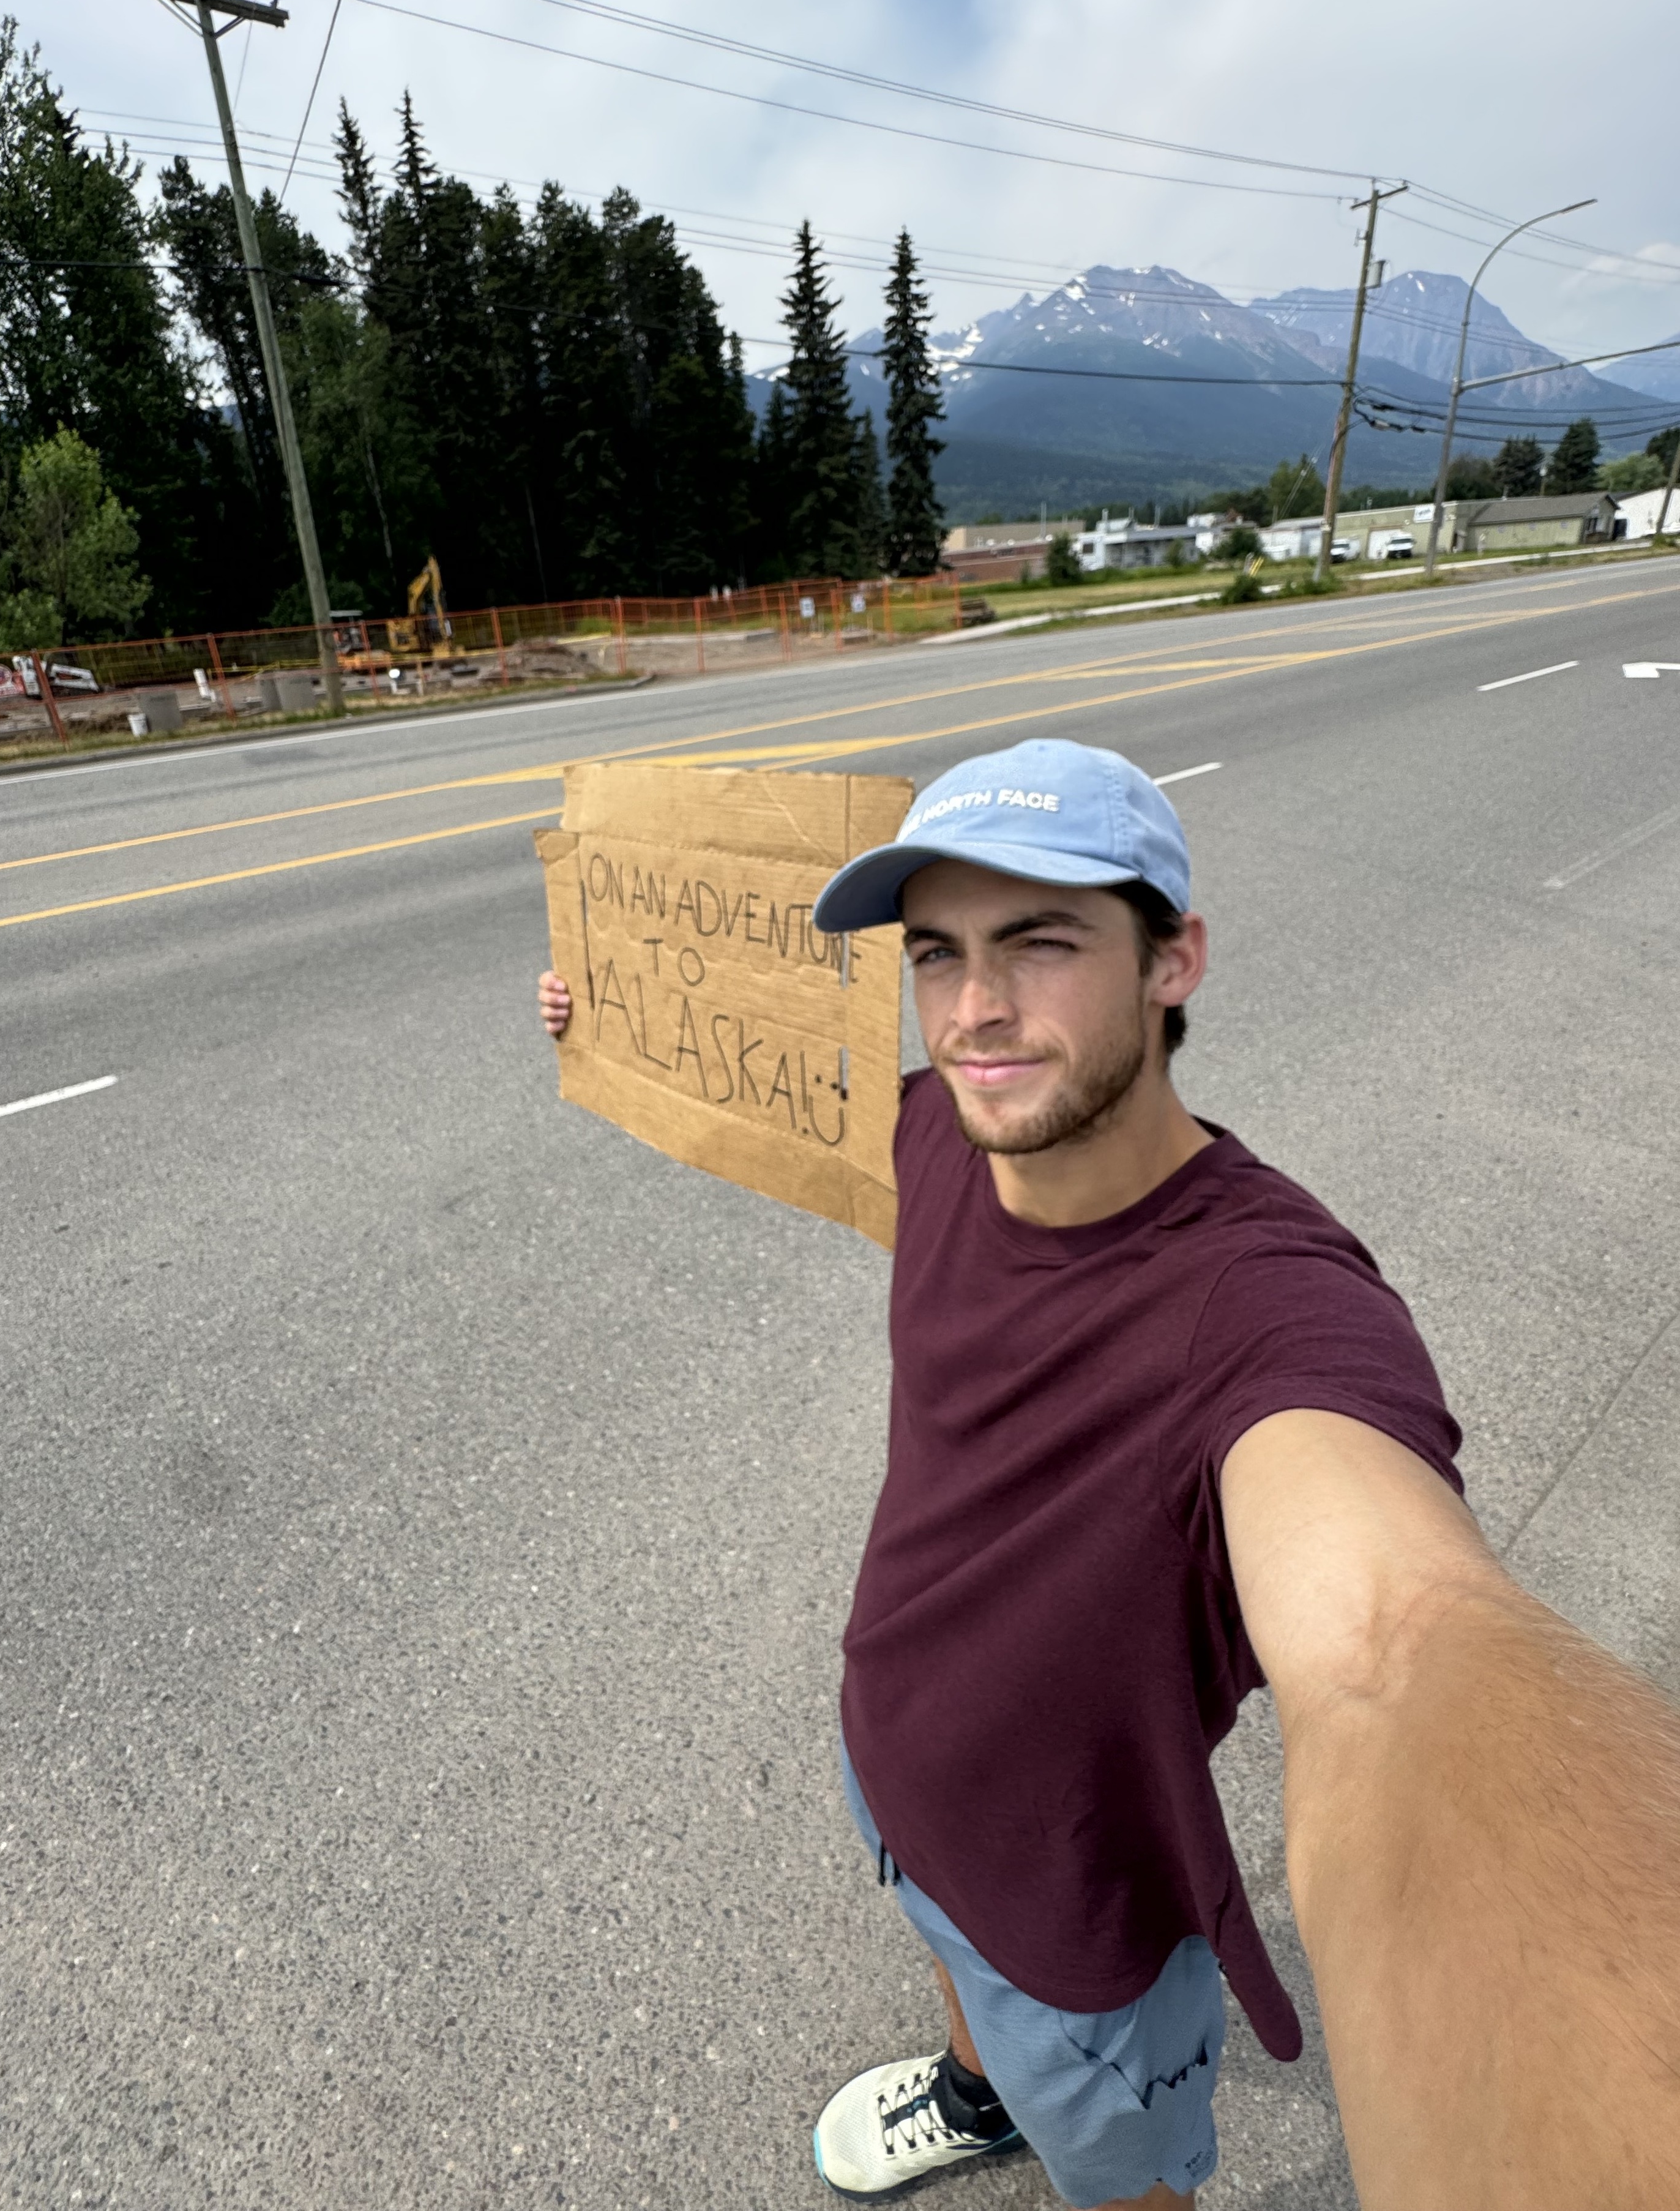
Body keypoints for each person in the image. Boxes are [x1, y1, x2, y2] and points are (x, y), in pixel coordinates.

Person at [537, 736, 1680, 2211]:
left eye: (1042, 942)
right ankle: (974, 2091)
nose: (975, 1009)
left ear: (1173, 958)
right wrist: (602, 1011)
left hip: (1078, 1903)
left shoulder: (1262, 1305)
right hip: (898, 1757)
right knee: (951, 1941)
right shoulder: (940, 1132)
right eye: (937, 952)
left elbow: (1397, 1640)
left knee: (1120, 2170)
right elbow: (759, 1098)